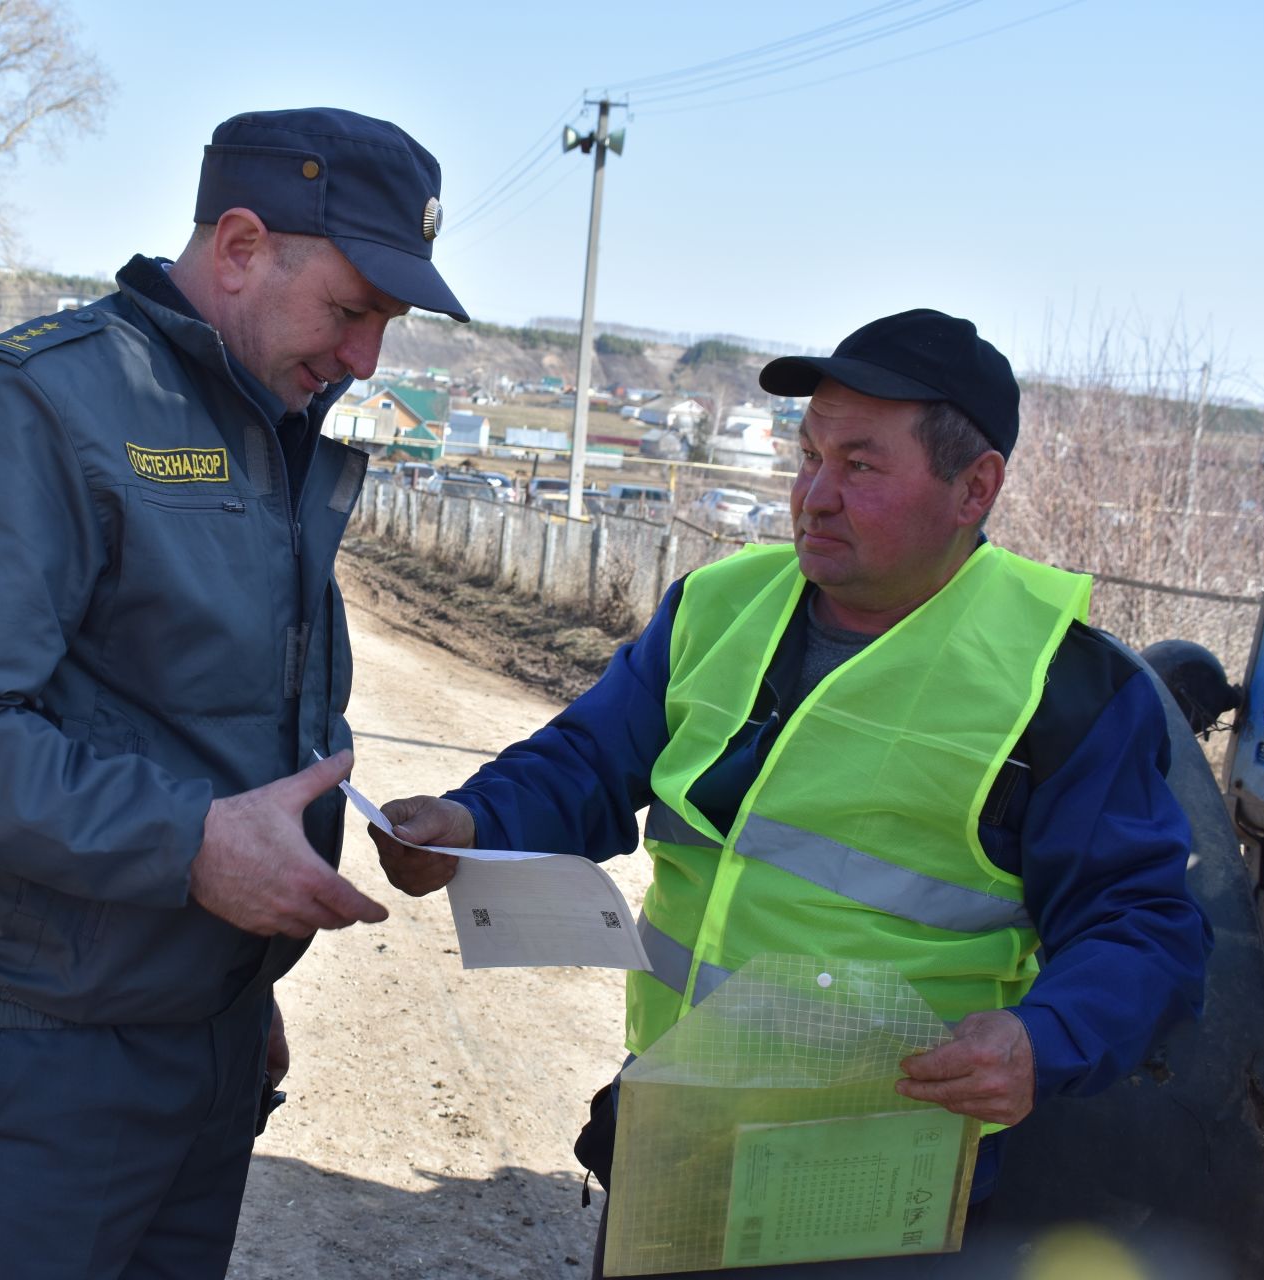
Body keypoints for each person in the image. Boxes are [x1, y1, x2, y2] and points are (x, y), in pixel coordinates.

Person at [371, 309, 1210, 1277]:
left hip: (878, 1179)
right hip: (680, 1121)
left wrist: (1043, 1036)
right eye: (807, 454)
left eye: (860, 465)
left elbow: (1143, 922)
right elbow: (588, 759)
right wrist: (474, 818)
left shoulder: (1061, 687)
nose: (813, 495)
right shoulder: (718, 605)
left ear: (974, 487)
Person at [0, 107, 468, 1280]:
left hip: (208, 1035)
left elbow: (206, 719)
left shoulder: (268, 426)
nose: (368, 359)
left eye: (386, 322)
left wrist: (233, 992)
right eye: (351, 309)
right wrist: (192, 847)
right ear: (239, 246)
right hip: (49, 1043)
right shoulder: (30, 408)